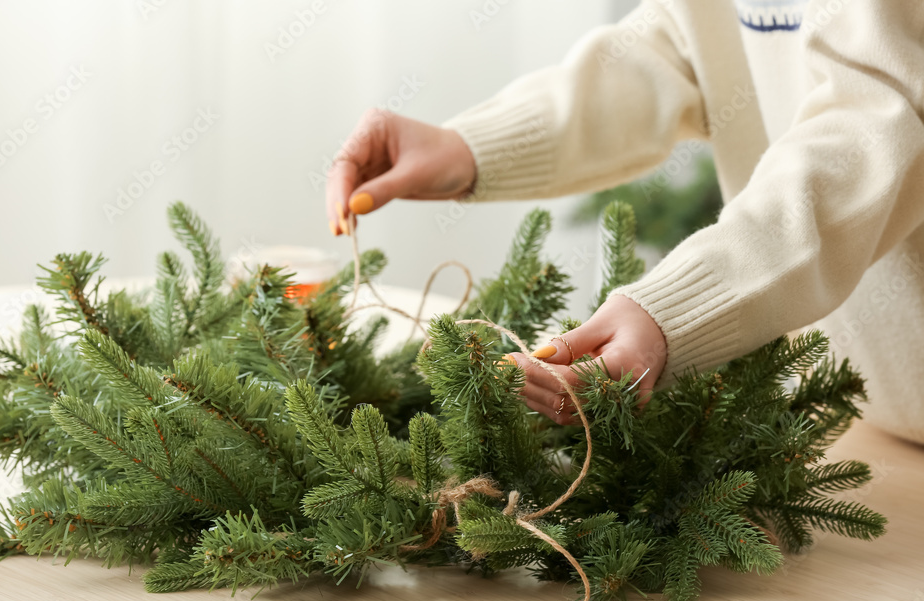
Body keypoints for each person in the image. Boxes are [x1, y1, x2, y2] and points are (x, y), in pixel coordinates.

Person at [324, 0, 924, 443]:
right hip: (867, 418)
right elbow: (674, 46)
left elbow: (877, 128)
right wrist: (471, 147)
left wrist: (676, 310)